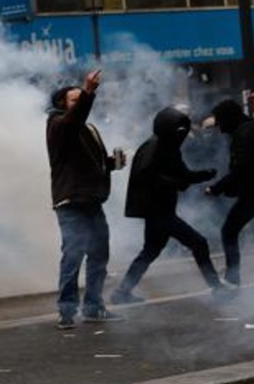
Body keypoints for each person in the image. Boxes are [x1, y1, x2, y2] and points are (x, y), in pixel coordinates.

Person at [112, 107, 229, 304]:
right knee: (198, 243)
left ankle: (122, 292)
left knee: (150, 251)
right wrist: (178, 182)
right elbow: (150, 177)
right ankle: (216, 287)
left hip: (161, 210)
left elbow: (182, 175)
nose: (182, 135)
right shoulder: (154, 147)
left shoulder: (167, 147)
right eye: (179, 130)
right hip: (158, 211)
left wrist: (203, 175)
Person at [46, 69, 126, 330]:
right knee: (73, 255)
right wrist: (89, 92)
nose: (79, 103)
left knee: (99, 254)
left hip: (91, 199)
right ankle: (66, 311)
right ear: (62, 105)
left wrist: (112, 163)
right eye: (74, 100)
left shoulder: (87, 128)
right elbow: (73, 121)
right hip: (71, 201)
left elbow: (94, 162)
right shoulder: (58, 125)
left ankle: (93, 307)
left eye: (81, 99)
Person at [206, 99, 254, 286]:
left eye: (221, 122)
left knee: (229, 231)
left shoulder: (246, 133)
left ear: (229, 118)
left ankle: (233, 278)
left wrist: (217, 187)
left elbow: (243, 168)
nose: (221, 129)